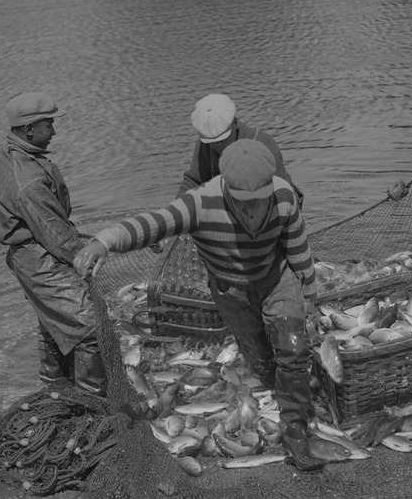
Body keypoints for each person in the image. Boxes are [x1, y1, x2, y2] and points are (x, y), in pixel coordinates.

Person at [75, 139, 325, 472]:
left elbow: (297, 247)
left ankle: (295, 429)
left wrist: (309, 292)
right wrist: (104, 241)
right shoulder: (201, 203)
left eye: (259, 203)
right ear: (227, 191)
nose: (253, 214)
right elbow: (151, 224)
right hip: (230, 288)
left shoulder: (284, 197)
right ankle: (276, 389)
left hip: (276, 277)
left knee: (293, 347)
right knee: (262, 359)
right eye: (244, 205)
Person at [0, 92, 107, 397]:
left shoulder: (10, 153)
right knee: (91, 327)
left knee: (55, 320)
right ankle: (92, 403)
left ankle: (54, 389)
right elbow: (59, 238)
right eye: (48, 124)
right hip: (38, 258)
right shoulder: (28, 181)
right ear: (29, 130)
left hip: (28, 252)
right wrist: (98, 250)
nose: (54, 130)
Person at [178, 93, 304, 206]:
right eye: (213, 143)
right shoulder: (204, 144)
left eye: (223, 139)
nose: (218, 146)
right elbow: (193, 181)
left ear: (235, 124)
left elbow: (284, 194)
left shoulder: (262, 145)